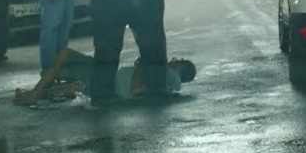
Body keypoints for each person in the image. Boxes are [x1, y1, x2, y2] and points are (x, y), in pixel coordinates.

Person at [90, 0, 169, 107]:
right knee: (153, 44)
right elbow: (157, 38)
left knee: (106, 47)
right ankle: (157, 89)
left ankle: (102, 95)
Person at [14, 47, 196, 106]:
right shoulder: (171, 83)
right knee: (66, 76)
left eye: (177, 60)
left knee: (64, 54)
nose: (173, 59)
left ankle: (33, 95)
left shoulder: (169, 75)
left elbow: (139, 87)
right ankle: (40, 92)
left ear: (181, 66)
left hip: (107, 78)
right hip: (107, 81)